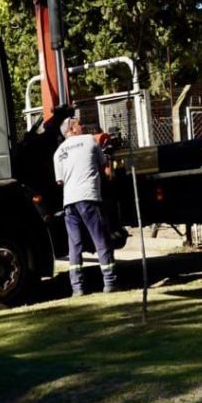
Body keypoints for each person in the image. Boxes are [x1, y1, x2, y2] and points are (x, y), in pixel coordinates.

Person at [53, 115, 117, 296]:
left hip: (69, 203)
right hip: (89, 197)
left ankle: (77, 288)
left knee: (75, 244)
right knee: (100, 239)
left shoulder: (58, 153)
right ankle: (110, 282)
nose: (82, 126)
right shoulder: (89, 141)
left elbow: (60, 182)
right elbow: (105, 167)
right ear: (71, 129)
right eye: (79, 124)